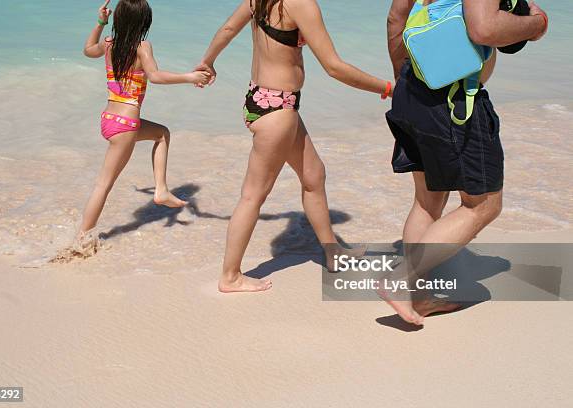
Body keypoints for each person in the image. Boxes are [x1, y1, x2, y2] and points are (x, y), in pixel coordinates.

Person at [195, 0, 393, 293]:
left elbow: (227, 28)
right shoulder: (301, 3)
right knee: (252, 196)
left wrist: (208, 61)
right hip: (278, 112)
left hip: (260, 99)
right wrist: (387, 88)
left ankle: (332, 251)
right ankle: (230, 275)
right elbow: (334, 67)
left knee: (314, 176)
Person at [383, 0, 549, 325]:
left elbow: (395, 18)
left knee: (427, 202)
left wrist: (406, 77)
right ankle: (398, 279)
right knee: (483, 205)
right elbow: (484, 28)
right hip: (455, 100)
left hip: (414, 89)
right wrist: (537, 25)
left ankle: (418, 297)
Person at [78, 0, 211, 242]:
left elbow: (88, 50)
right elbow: (155, 76)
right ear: (144, 22)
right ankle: (81, 240)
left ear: (117, 19)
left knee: (161, 133)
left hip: (109, 119)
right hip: (126, 125)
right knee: (103, 185)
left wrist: (100, 23)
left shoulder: (109, 44)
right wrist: (189, 76)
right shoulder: (142, 47)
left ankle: (160, 189)